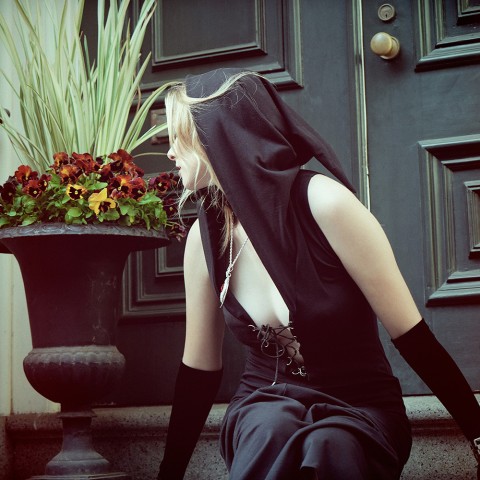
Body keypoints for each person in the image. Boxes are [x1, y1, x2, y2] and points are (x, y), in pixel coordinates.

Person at [157, 68, 480, 480]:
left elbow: (413, 338)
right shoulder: (204, 241)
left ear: (218, 136)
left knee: (330, 444)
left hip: (360, 406)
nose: (170, 153)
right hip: (263, 406)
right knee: (270, 428)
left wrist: (478, 436)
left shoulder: (326, 205)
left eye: (180, 138)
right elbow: (199, 370)